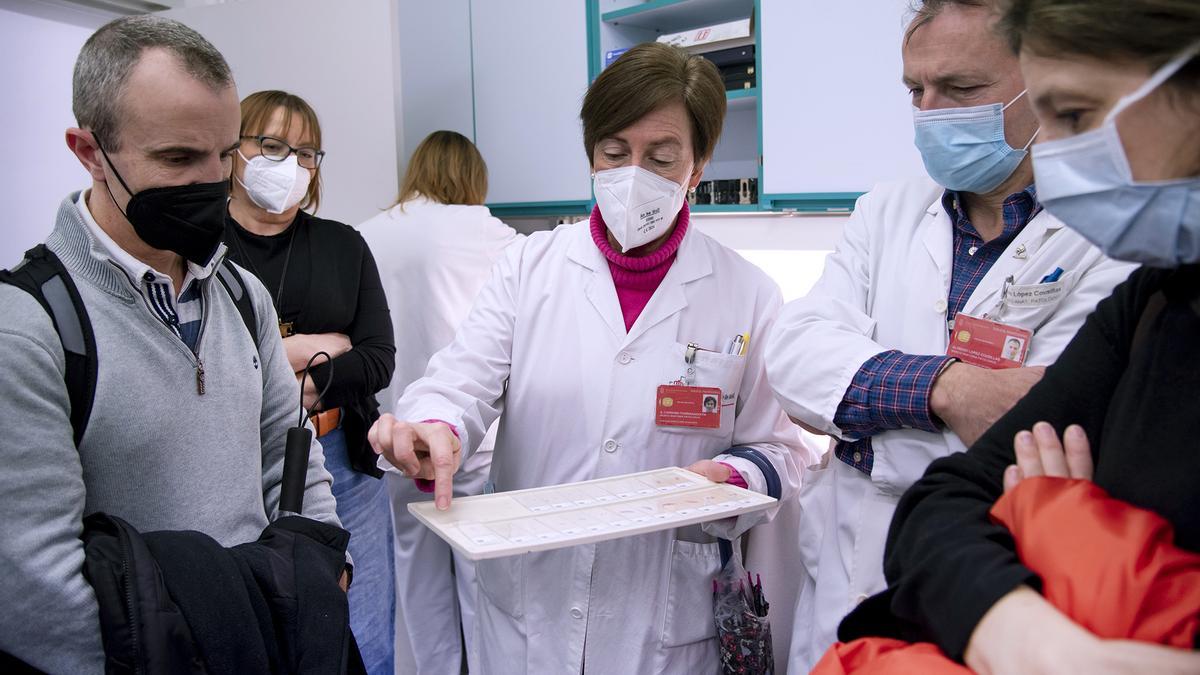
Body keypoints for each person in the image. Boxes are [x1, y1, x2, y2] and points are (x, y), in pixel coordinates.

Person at [368, 42, 813, 674]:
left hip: (665, 620)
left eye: (661, 158)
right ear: (591, 156)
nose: (634, 175)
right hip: (529, 613)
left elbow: (782, 451)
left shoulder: (748, 294)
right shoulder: (528, 267)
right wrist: (431, 427)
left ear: (699, 164)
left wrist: (736, 477)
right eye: (614, 153)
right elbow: (460, 383)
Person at [761, 1, 1136, 670]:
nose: (932, 110)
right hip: (844, 578)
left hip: (996, 582)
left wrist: (864, 418)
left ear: (1039, 83)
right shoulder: (888, 210)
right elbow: (794, 354)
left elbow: (1041, 428)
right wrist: (948, 387)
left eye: (961, 89)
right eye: (916, 90)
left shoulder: (1108, 233)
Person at [840, 0, 1200, 672]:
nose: (1053, 154)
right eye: (916, 91)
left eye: (1074, 115)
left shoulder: (1121, 261)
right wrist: (1051, 644)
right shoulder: (1152, 300)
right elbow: (936, 505)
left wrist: (1041, 526)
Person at [0, 17, 343, 673]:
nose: (214, 182)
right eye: (179, 159)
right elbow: (37, 587)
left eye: (224, 154)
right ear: (90, 151)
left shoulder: (243, 296)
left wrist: (327, 580)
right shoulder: (32, 327)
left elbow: (291, 460)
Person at [221, 90, 396, 673]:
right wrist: (313, 347)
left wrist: (298, 378)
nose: (290, 164)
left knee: (364, 631)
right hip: (233, 461)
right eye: (271, 145)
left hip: (341, 463)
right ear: (235, 149)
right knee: (250, 632)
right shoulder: (199, 247)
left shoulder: (342, 245)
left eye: (306, 153)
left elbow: (377, 358)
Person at [358, 130, 521, 674]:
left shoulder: (370, 233)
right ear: (473, 178)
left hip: (397, 437)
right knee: (483, 586)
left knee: (417, 580)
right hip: (469, 443)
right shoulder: (491, 234)